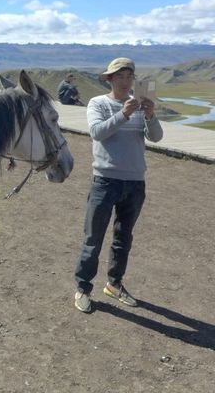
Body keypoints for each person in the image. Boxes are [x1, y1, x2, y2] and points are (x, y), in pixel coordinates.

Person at [73, 58, 163, 313]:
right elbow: (97, 132)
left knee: (123, 239)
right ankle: (82, 288)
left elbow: (156, 137)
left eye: (128, 76)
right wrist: (123, 113)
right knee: (94, 238)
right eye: (119, 76)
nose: (125, 81)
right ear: (110, 79)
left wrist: (150, 115)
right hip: (105, 180)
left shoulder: (141, 106)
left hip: (135, 183)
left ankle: (114, 284)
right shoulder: (99, 103)